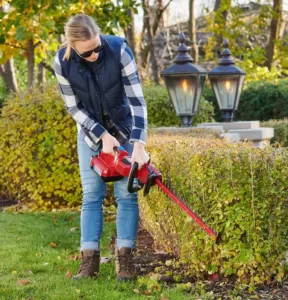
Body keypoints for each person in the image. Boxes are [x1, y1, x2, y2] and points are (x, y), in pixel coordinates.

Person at [53, 14, 149, 281]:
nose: (94, 55)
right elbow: (73, 106)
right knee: (92, 195)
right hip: (90, 135)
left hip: (126, 130)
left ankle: (125, 260)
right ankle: (89, 261)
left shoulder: (119, 50)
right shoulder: (62, 62)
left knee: (126, 195)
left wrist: (139, 144)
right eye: (87, 53)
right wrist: (101, 135)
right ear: (72, 46)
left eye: (97, 48)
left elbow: (138, 102)